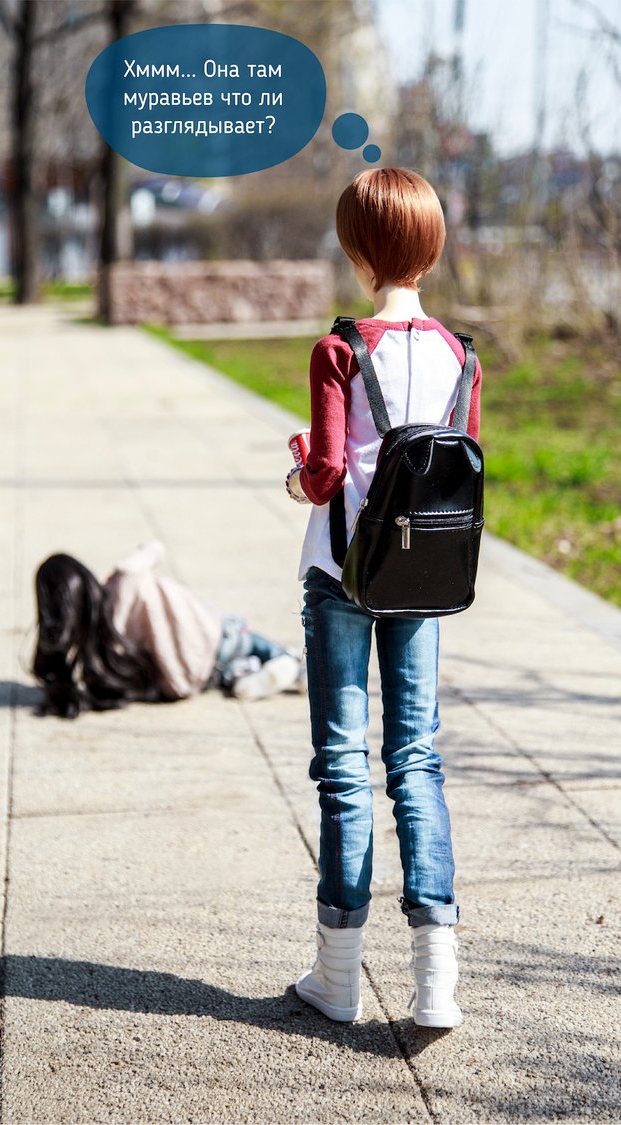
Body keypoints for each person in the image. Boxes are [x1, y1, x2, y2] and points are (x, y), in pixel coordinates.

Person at [285, 168, 482, 1029]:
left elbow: (327, 471)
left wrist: (298, 472)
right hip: (423, 582)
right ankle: (437, 979)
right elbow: (454, 465)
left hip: (341, 577)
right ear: (429, 248)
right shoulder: (459, 354)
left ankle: (339, 974)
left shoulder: (341, 348)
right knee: (417, 759)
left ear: (359, 251)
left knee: (343, 764)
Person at [32, 540, 305, 718]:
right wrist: (120, 570)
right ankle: (293, 664)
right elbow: (154, 548)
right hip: (215, 639)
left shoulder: (95, 645)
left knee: (221, 669)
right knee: (242, 636)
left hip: (186, 678)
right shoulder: (125, 578)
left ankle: (242, 676)